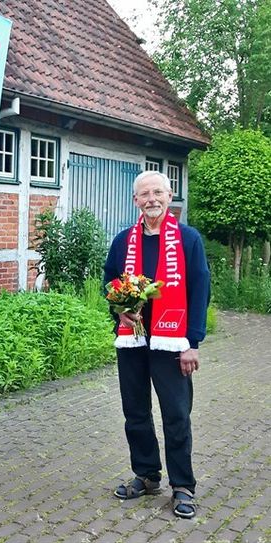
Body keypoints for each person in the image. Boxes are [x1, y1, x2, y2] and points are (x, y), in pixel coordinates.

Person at [103, 170, 210, 519]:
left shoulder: (188, 239)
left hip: (172, 340)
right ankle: (147, 475)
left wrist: (192, 342)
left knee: (176, 414)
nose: (151, 199)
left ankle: (183, 485)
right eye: (144, 194)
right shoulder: (123, 241)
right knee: (135, 412)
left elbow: (199, 290)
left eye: (157, 193)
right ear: (136, 200)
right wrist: (119, 313)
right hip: (133, 340)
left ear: (169, 196)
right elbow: (110, 282)